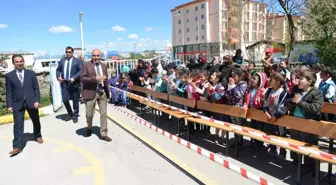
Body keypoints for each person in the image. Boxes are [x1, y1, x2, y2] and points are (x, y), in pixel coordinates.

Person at [5, 54, 43, 155]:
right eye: (17, 62)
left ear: (23, 62)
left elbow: (36, 88)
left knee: (36, 121)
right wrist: (9, 105)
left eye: (21, 61)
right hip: (17, 103)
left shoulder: (31, 73)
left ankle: (38, 136)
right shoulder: (9, 76)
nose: (19, 63)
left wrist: (37, 101)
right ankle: (17, 146)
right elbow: (9, 92)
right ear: (13, 63)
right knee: (18, 125)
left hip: (32, 102)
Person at [80, 49, 112, 142]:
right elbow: (82, 78)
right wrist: (95, 78)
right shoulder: (86, 65)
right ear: (91, 56)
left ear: (100, 56)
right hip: (90, 92)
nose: (96, 57)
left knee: (104, 113)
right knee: (89, 114)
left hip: (102, 92)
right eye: (94, 55)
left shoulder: (104, 66)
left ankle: (103, 133)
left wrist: (107, 91)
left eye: (98, 55)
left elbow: (106, 80)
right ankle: (89, 127)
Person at [56, 46, 82, 123]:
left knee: (75, 101)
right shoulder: (62, 60)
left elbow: (81, 71)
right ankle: (70, 113)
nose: (68, 53)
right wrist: (58, 76)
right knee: (65, 99)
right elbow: (58, 70)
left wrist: (74, 77)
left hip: (74, 83)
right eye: (66, 52)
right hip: (64, 83)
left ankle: (75, 115)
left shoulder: (77, 61)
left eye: (69, 52)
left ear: (72, 52)